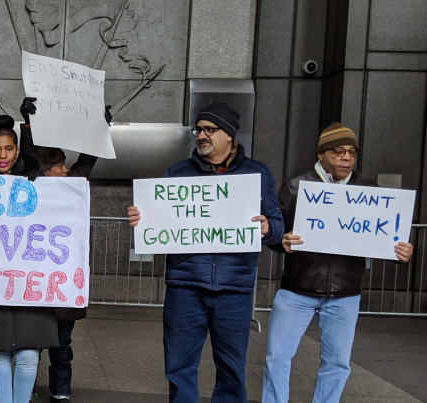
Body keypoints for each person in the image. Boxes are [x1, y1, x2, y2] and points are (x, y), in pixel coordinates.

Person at [127, 103, 284, 402]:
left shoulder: (258, 174)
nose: (201, 135)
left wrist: (268, 228)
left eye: (209, 129)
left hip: (234, 289)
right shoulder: (177, 173)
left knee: (232, 369)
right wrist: (141, 220)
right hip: (185, 286)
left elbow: (277, 223)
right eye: (198, 129)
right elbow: (159, 221)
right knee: (179, 367)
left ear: (230, 136)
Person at [261, 123, 413, 403]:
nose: (346, 157)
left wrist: (400, 252)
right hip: (297, 290)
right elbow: (273, 229)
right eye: (338, 151)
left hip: (345, 293)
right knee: (276, 358)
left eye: (351, 153)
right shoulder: (295, 188)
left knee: (337, 364)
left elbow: (383, 235)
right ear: (321, 154)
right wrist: (278, 241)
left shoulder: (368, 189)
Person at [18, 97, 110, 403]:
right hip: (35, 284)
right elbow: (29, 155)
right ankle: (27, 389)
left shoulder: (73, 184)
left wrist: (101, 126)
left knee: (61, 346)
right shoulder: (32, 186)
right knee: (31, 345)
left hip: (61, 287)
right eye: (60, 165)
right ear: (46, 168)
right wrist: (28, 125)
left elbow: (87, 159)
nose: (67, 168)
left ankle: (60, 393)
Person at [0, 115, 57, 403]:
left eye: (8, 148)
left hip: (30, 282)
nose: (2, 155)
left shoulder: (38, 182)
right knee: (1, 350)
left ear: (17, 150)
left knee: (29, 353)